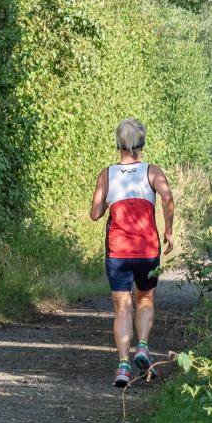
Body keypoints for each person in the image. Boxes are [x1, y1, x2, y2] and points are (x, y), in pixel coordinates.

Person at [89, 117, 174, 387]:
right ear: (142, 142)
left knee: (122, 307)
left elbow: (94, 213)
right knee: (146, 298)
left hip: (118, 250)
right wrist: (169, 230)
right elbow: (168, 198)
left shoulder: (107, 174)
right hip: (147, 248)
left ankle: (123, 365)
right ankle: (143, 346)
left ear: (118, 143)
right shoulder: (152, 171)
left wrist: (108, 204)